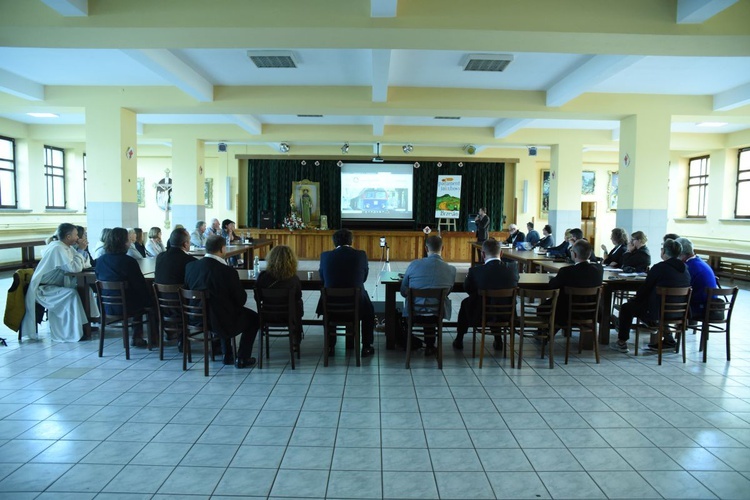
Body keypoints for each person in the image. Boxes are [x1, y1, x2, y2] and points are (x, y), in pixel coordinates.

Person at [185, 235, 259, 368]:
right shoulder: (227, 271)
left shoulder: (191, 267)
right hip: (221, 321)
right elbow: (240, 300)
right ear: (222, 249)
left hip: (196, 318)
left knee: (221, 307)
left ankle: (227, 354)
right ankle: (242, 357)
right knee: (253, 318)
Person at [610, 238, 691, 353]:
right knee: (660, 306)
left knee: (627, 307)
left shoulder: (659, 268)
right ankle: (669, 339)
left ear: (664, 252)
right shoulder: (685, 269)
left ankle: (622, 342)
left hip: (657, 312)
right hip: (679, 312)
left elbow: (645, 289)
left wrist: (635, 300)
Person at [21, 223, 88, 342]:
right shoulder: (57, 248)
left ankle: (84, 325)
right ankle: (70, 332)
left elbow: (82, 265)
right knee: (71, 294)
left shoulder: (67, 247)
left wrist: (80, 252)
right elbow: (75, 268)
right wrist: (81, 250)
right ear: (68, 237)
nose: (78, 237)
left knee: (86, 289)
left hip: (56, 285)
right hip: (44, 289)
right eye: (76, 235)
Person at [316, 228, 375, 358]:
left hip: (331, 304)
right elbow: (363, 278)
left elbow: (322, 278)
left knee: (328, 307)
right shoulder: (360, 255)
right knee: (369, 311)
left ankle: (330, 346)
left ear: (334, 242)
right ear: (351, 241)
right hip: (356, 305)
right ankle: (366, 346)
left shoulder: (325, 256)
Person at [453, 238, 518, 350]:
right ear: (501, 253)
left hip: (480, 314)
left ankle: (459, 338)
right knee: (496, 301)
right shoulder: (512, 269)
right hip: (506, 314)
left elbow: (468, 289)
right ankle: (498, 339)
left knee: (466, 303)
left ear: (483, 254)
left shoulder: (476, 271)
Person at [95, 227, 154, 347]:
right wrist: (150, 301)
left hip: (105, 306)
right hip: (127, 306)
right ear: (123, 242)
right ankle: (142, 337)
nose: (130, 243)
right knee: (150, 302)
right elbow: (140, 286)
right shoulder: (129, 262)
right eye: (128, 240)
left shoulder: (100, 261)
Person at [401, 235, 457, 357]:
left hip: (414, 314)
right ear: (443, 248)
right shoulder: (451, 270)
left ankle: (410, 343)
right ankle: (430, 346)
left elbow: (403, 291)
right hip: (437, 314)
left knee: (419, 306)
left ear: (426, 248)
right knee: (432, 308)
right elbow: (448, 292)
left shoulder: (414, 265)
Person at [255, 245, 304, 347]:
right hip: (289, 316)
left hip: (267, 315)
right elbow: (298, 296)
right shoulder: (293, 279)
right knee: (298, 304)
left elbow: (257, 297)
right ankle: (296, 336)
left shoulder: (263, 277)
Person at [548, 239, 603, 323]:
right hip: (591, 312)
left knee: (544, 308)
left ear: (574, 254)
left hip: (566, 312)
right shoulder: (598, 270)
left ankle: (546, 334)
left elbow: (552, 286)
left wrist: (552, 279)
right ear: (589, 254)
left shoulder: (566, 271)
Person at [675, 237, 720, 320]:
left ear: (681, 254)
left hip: (699, 308)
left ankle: (662, 329)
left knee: (663, 302)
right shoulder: (699, 261)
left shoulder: (689, 267)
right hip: (711, 306)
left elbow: (681, 287)